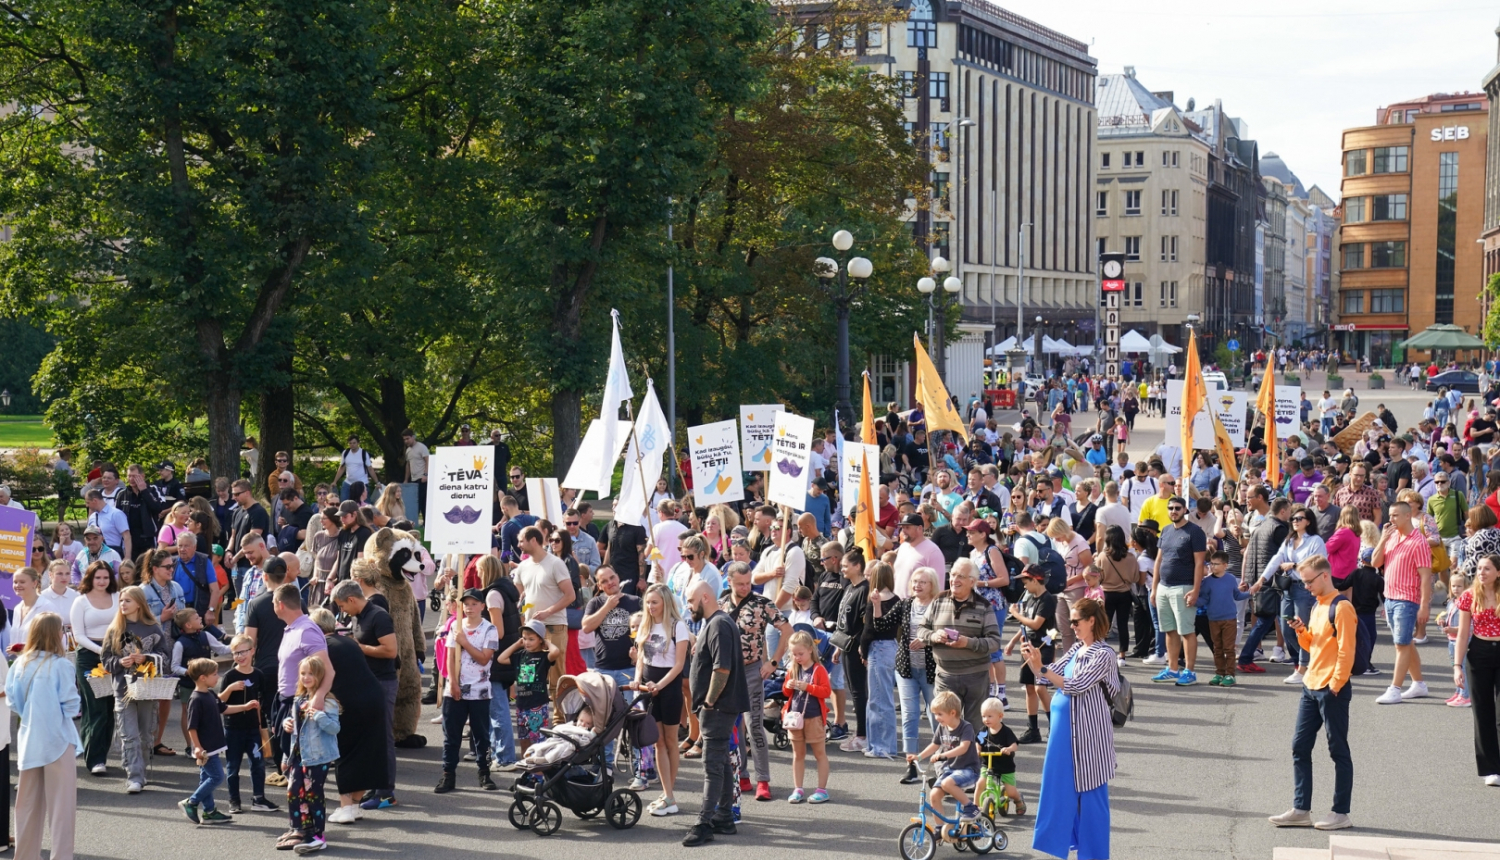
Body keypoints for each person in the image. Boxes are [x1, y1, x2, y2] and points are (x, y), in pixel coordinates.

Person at [1023, 597, 1119, 860]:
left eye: (1076, 621)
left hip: (1089, 736)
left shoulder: (1104, 654)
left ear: (1091, 621)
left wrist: (1042, 668)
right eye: (1070, 621)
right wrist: (1035, 662)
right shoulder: (1077, 648)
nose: (1072, 626)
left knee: (1091, 798)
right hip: (1064, 735)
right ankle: (1064, 845)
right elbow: (1047, 674)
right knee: (1059, 790)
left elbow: (1075, 684)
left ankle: (1095, 856)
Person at [1269, 556, 1357, 832]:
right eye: (1303, 582)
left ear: (1324, 576)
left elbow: (1346, 650)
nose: (1305, 586)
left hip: (1331, 687)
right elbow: (1315, 644)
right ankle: (1301, 809)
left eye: (1308, 581)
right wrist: (1301, 632)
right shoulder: (1319, 605)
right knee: (1299, 746)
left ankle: (1340, 812)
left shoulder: (1341, 607)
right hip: (1311, 684)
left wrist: (1336, 683)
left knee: (1338, 750)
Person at [681, 580, 748, 848]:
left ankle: (704, 822)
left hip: (718, 708)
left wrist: (708, 702)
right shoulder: (715, 623)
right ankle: (723, 816)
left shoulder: (719, 624)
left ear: (705, 597)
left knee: (711, 765)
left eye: (690, 601)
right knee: (719, 763)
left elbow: (722, 669)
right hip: (718, 707)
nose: (688, 607)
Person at [8, 613, 79, 860]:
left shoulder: (19, 664)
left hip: (29, 738)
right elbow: (71, 706)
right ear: (56, 633)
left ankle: (25, 856)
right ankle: (61, 856)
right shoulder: (62, 665)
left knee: (26, 804)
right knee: (62, 807)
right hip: (58, 739)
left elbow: (12, 700)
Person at [719, 561, 790, 800]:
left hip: (752, 670)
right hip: (728, 673)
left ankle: (763, 780)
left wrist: (773, 663)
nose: (745, 587)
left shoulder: (762, 603)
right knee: (734, 726)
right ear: (729, 581)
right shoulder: (721, 604)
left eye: (748, 582)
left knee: (754, 726)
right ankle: (742, 775)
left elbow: (787, 631)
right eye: (740, 584)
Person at [330, 579, 400, 807]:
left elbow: (390, 650)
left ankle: (386, 792)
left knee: (383, 737)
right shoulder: (358, 617)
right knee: (369, 738)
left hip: (383, 681)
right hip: (368, 682)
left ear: (351, 599)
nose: (342, 611)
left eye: (342, 606)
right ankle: (373, 787)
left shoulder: (378, 616)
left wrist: (359, 648)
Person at [101, 585, 173, 793]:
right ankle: (134, 776)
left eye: (128, 601)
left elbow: (166, 658)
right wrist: (119, 662)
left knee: (145, 733)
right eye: (121, 601)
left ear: (139, 604)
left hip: (146, 688)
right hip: (122, 689)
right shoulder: (114, 629)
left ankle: (141, 771)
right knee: (128, 733)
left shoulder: (153, 628)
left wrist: (147, 658)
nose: (123, 604)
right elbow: (105, 661)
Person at [918, 558, 1001, 730]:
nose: (954, 580)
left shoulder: (984, 606)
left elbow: (994, 642)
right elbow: (921, 630)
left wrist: (967, 643)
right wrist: (934, 636)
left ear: (972, 581)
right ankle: (949, 757)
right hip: (945, 676)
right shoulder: (938, 600)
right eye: (953, 574)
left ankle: (973, 758)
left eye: (960, 576)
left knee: (975, 727)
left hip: (976, 677)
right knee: (946, 726)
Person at [1252, 507, 1327, 687]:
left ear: (1308, 521)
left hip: (1304, 588)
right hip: (1287, 588)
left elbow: (1319, 563)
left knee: (1303, 628)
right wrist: (1261, 580)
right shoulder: (1289, 540)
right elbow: (1276, 559)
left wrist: (1294, 565)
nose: (1295, 521)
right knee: (1286, 629)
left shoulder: (1315, 540)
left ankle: (1302, 668)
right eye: (1293, 518)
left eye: (1300, 518)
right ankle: (1305, 661)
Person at [632, 584, 690, 814]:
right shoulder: (645, 624)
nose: (650, 606)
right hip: (648, 688)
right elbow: (641, 659)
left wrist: (660, 685)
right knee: (658, 742)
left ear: (665, 602)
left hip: (669, 688)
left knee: (670, 741)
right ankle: (667, 794)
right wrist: (638, 680)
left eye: (654, 602)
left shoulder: (678, 627)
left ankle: (669, 795)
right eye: (648, 602)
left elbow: (679, 664)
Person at [435, 589, 499, 794]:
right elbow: (450, 655)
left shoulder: (490, 629)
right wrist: (452, 682)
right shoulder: (456, 625)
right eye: (466, 604)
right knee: (451, 735)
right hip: (455, 689)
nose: (469, 608)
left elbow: (483, 658)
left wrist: (465, 642)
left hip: (480, 690)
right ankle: (448, 775)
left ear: (482, 606)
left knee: (481, 735)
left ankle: (484, 773)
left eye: (474, 604)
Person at [1370, 500, 1434, 704]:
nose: (1391, 519)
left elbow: (1426, 577)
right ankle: (1419, 684)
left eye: (1396, 515)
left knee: (1401, 644)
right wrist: (1382, 540)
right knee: (1406, 642)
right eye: (1390, 515)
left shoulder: (1419, 541)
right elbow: (1375, 562)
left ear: (1408, 516)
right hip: (1389, 597)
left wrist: (1424, 605)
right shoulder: (1392, 537)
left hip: (1407, 600)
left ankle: (1395, 688)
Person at [278, 656, 341, 854]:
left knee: (314, 794)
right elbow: (297, 730)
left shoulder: (328, 701)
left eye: (311, 674)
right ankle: (299, 829)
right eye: (303, 673)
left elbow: (334, 728)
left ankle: (318, 835)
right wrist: (286, 723)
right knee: (293, 791)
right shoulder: (299, 699)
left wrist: (320, 716)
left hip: (318, 756)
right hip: (298, 755)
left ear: (320, 676)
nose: (306, 677)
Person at [1452, 554, 1500, 785]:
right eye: (1479, 568)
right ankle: (1491, 769)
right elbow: (1462, 634)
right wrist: (1457, 666)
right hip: (1478, 652)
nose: (1481, 572)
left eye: (1487, 568)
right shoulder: (1469, 596)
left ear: (1498, 572)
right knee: (1482, 713)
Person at [1150, 496, 1207, 686]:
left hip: (1184, 587)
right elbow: (1159, 560)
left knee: (1187, 631)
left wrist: (1195, 591)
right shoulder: (1165, 531)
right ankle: (1172, 669)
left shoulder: (1195, 532)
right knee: (1169, 630)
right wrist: (1154, 588)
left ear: (1185, 510)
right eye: (1170, 508)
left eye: (1177, 508)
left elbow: (1200, 564)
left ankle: (1190, 671)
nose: (1173, 511)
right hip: (1164, 587)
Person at [217, 634, 277, 813]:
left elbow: (262, 703)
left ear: (252, 651)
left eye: (243, 652)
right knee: (233, 766)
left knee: (257, 764)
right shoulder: (229, 676)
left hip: (252, 728)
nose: (239, 657)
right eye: (235, 653)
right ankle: (233, 800)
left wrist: (261, 727)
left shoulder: (258, 675)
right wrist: (230, 689)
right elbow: (219, 702)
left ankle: (258, 798)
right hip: (233, 728)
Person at [906, 690, 982, 823]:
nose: (936, 717)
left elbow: (963, 748)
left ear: (953, 713)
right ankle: (940, 829)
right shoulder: (942, 727)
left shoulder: (966, 727)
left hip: (968, 770)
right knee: (934, 795)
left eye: (940, 714)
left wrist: (943, 755)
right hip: (951, 770)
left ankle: (971, 807)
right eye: (935, 714)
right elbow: (934, 745)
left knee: (947, 783)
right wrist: (918, 757)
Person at [894, 567, 939, 783]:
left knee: (937, 716)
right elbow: (882, 624)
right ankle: (911, 765)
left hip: (931, 669)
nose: (917, 585)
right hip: (907, 668)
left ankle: (941, 766)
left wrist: (927, 639)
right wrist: (875, 605)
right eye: (914, 581)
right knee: (909, 716)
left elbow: (947, 635)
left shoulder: (939, 605)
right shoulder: (905, 604)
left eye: (922, 582)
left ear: (932, 585)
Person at [178, 657, 234, 826]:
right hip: (206, 748)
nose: (218, 677)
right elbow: (192, 727)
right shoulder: (196, 699)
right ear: (203, 677)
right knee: (217, 777)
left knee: (206, 779)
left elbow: (223, 708)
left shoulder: (209, 694)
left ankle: (209, 812)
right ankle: (191, 802)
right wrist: (197, 748)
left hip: (213, 745)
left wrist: (246, 707)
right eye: (215, 674)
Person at [497, 620, 562, 758]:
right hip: (521, 704)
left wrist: (546, 643)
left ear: (540, 640)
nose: (527, 642)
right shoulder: (520, 655)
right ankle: (526, 765)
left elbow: (556, 651)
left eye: (531, 639)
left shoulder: (544, 656)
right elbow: (501, 658)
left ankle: (538, 767)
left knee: (537, 739)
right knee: (523, 738)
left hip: (537, 704)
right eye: (525, 639)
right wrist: (517, 644)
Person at [1007, 568, 1056, 744]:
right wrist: (1013, 642)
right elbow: (1025, 625)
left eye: (1026, 581)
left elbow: (1036, 624)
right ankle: (1033, 729)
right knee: (1029, 687)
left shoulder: (1047, 599)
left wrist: (1015, 614)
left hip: (1043, 647)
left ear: (1035, 580)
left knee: (1040, 687)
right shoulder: (1030, 599)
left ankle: (1054, 726)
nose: (1024, 585)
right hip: (1028, 646)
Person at [782, 630, 832, 804]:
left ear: (810, 650)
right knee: (798, 754)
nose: (797, 657)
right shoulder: (793, 668)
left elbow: (826, 691)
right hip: (795, 718)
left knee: (820, 753)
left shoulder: (819, 669)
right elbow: (787, 693)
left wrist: (808, 687)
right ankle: (798, 788)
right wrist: (788, 685)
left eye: (800, 654)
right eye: (794, 654)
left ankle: (822, 790)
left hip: (814, 717)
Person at [861, 559, 901, 761]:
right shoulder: (896, 599)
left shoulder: (875, 599)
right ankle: (879, 744)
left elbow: (870, 630)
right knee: (880, 698)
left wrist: (862, 650)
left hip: (878, 648)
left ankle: (881, 746)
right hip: (891, 646)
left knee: (878, 700)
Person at [1198, 552, 1251, 686]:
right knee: (1217, 648)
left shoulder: (1231, 578)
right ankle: (1219, 673)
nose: (1212, 567)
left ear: (1225, 565)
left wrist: (1250, 593)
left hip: (1229, 619)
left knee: (1229, 648)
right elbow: (1204, 599)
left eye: (1216, 564)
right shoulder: (1207, 581)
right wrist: (1192, 600)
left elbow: (1237, 595)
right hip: (1213, 619)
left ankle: (1230, 674)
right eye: (1211, 563)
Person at [977, 696, 1026, 816]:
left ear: (1000, 716)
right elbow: (978, 743)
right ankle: (974, 807)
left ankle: (1018, 799)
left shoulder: (1006, 731)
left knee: (1010, 792)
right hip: (988, 764)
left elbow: (1015, 745)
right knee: (980, 784)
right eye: (983, 716)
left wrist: (1008, 749)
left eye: (989, 716)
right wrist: (977, 750)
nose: (986, 719)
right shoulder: (983, 731)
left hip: (1005, 766)